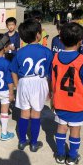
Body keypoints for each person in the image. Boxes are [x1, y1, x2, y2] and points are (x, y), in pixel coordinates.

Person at [52, 22, 83, 165]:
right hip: (77, 104)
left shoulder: (55, 58)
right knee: (75, 130)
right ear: (80, 41)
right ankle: (72, 156)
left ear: (61, 39)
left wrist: (52, 97)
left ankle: (59, 154)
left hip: (59, 101)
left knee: (61, 127)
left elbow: (52, 81)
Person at [11, 18, 53, 152]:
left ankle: (22, 142)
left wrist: (18, 85)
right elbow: (50, 73)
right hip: (39, 82)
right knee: (35, 115)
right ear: (38, 35)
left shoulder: (20, 52)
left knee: (24, 114)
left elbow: (13, 70)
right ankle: (34, 143)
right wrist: (50, 90)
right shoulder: (46, 51)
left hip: (24, 82)